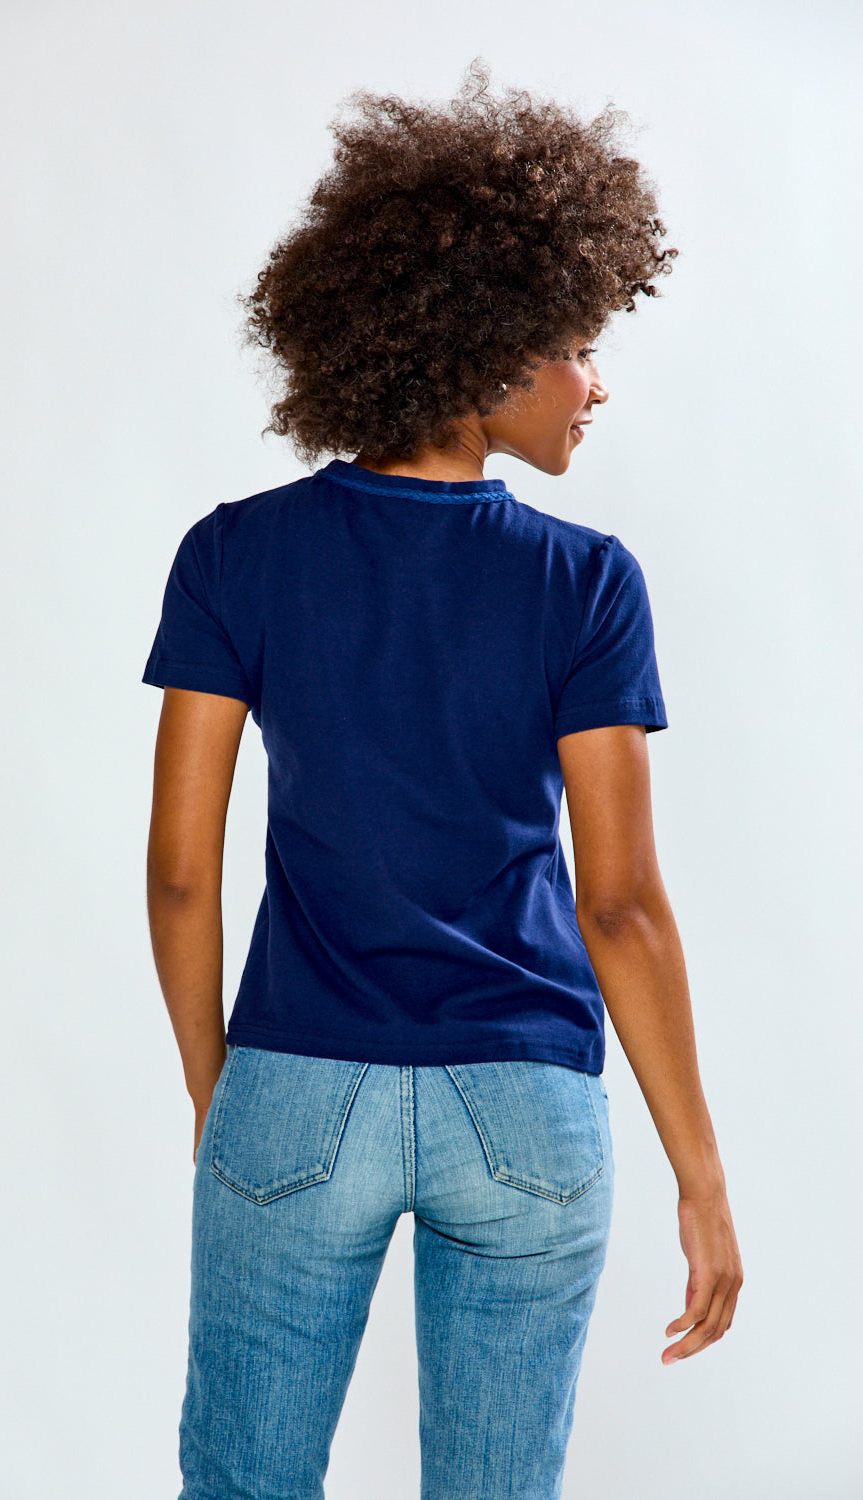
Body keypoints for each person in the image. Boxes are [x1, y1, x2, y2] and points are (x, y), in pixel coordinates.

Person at [142, 59, 743, 1500]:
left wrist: (227, 1105)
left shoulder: (236, 552)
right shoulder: (587, 582)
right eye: (576, 342)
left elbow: (177, 873)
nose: (596, 379)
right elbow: (624, 910)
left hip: (299, 1074)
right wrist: (702, 1179)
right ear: (480, 350)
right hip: (525, 1102)